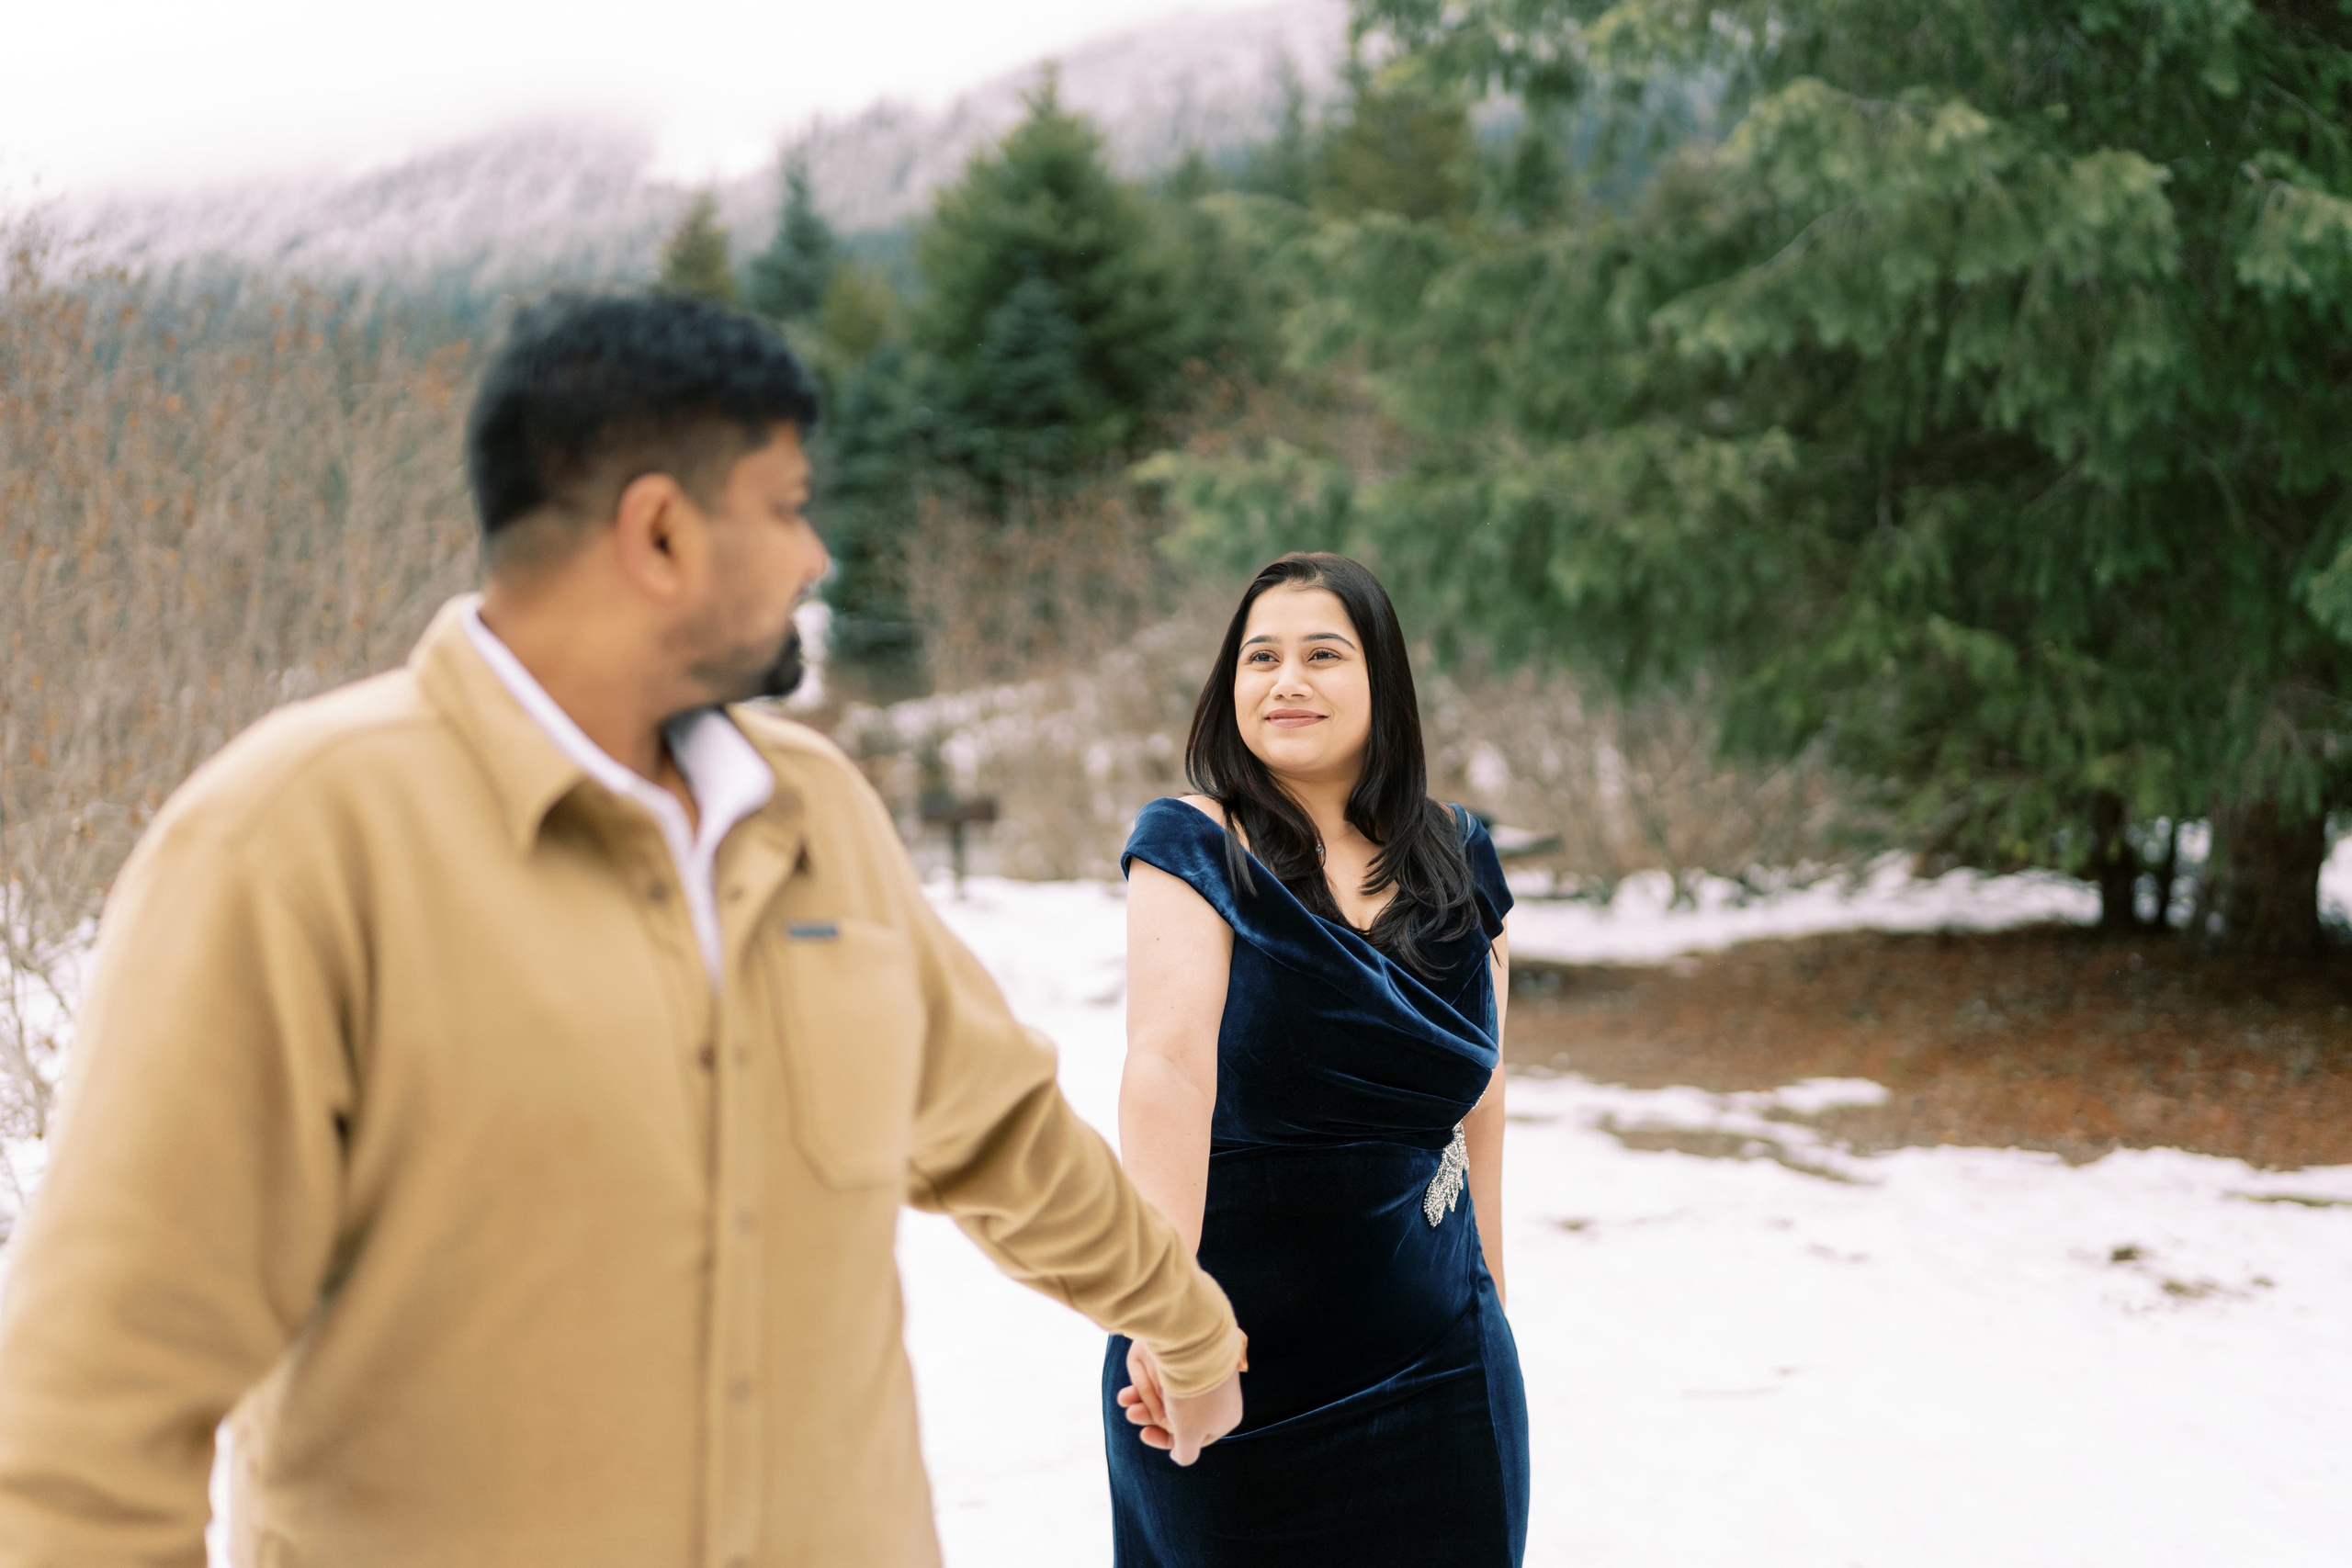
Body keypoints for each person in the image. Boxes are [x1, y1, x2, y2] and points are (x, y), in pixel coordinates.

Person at [0, 293, 1245, 1566]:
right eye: (785, 505)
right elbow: (95, 1409)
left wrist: (1188, 1327)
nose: (816, 554)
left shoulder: (819, 814)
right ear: (659, 530)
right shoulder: (290, 843)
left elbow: (1004, 1135)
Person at [1104, 552, 1529, 1565]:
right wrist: (1176, 1332)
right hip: (1228, 1374)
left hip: (1441, 1369)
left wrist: (1494, 1311)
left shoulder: (1457, 853)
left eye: (1321, 654)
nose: (1285, 680)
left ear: (1382, 680)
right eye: (1260, 657)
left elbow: (1485, 1099)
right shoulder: (1194, 842)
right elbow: (1163, 1071)